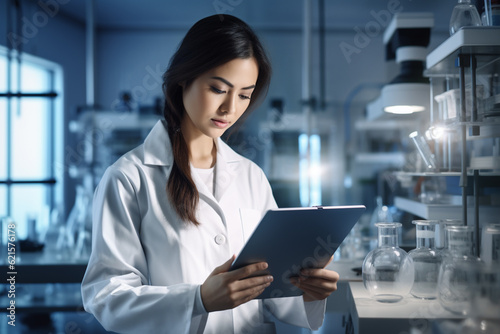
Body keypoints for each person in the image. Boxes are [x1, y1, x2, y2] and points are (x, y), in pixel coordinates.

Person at [81, 14, 340, 334]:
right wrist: (198, 299)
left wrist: (308, 291)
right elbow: (107, 298)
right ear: (183, 80)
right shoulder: (129, 179)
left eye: (244, 94)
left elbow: (272, 291)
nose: (230, 108)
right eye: (218, 88)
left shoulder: (251, 177)